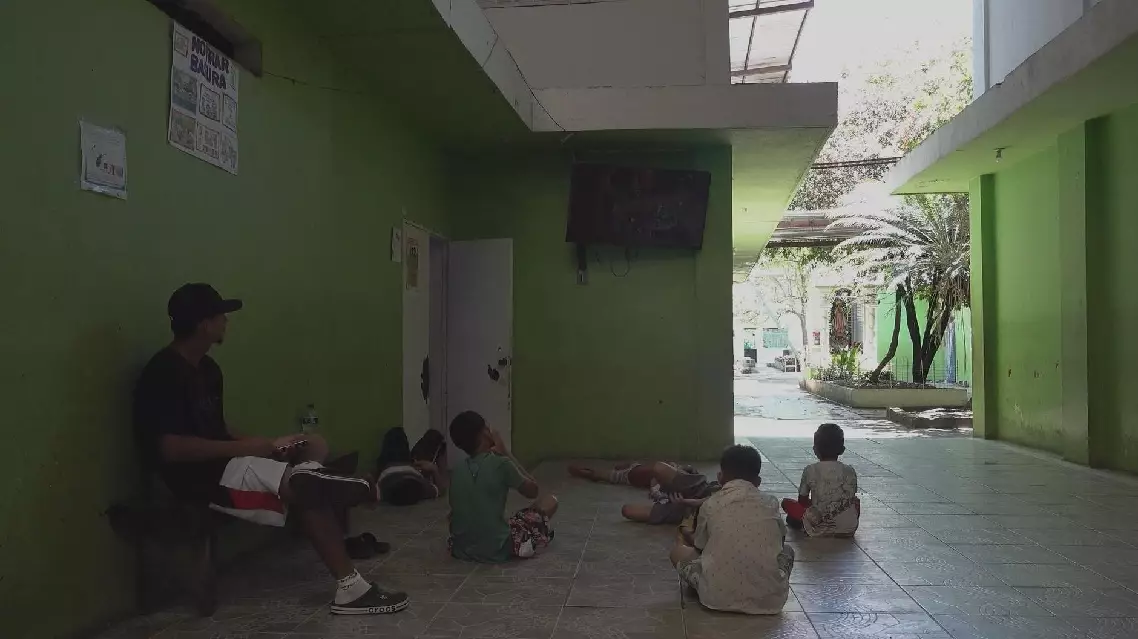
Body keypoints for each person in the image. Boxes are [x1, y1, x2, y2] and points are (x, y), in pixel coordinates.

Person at [132, 283, 408, 615]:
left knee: (312, 444)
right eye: (221, 316)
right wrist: (245, 448)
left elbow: (218, 427)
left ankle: (320, 479)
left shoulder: (207, 370)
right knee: (306, 492)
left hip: (228, 462)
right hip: (200, 480)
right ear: (204, 324)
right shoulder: (163, 373)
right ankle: (351, 587)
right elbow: (171, 449)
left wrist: (267, 446)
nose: (226, 322)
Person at [670, 445, 794, 615]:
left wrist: (685, 533)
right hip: (770, 601)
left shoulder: (710, 504)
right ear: (758, 481)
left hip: (716, 598)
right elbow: (780, 542)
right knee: (787, 550)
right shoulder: (770, 502)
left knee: (678, 552)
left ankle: (706, 585)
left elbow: (700, 547)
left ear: (720, 478)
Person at [447, 411, 558, 562]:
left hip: (462, 548)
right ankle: (523, 542)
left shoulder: (456, 469)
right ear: (484, 433)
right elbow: (533, 490)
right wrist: (506, 452)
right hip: (495, 548)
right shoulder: (501, 464)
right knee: (551, 501)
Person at [568, 461, 717, 525]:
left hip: (688, 509)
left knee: (627, 510)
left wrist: (689, 503)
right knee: (656, 469)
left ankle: (601, 473)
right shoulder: (698, 482)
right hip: (693, 494)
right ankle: (598, 473)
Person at [781, 423, 860, 537]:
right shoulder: (849, 470)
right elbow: (850, 497)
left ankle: (804, 524)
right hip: (849, 527)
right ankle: (844, 525)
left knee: (786, 503)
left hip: (818, 526)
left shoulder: (810, 470)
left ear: (815, 449)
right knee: (855, 501)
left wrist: (817, 504)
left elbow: (802, 501)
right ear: (842, 449)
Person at [375, 426, 448, 506]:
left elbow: (373, 494)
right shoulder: (415, 474)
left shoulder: (384, 475)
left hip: (389, 482)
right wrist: (435, 469)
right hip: (413, 480)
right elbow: (441, 491)